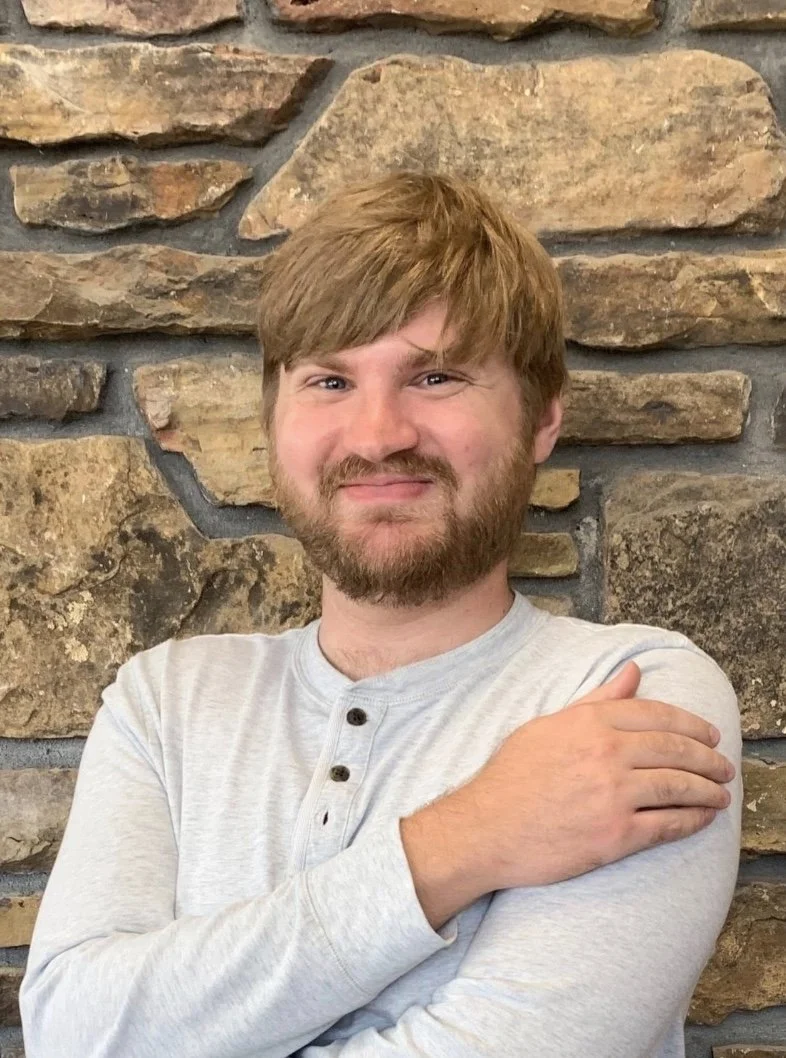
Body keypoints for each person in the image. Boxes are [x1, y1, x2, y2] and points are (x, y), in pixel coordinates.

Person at [19, 172, 741, 1058]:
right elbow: (70, 1032)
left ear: (542, 418)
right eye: (329, 380)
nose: (376, 436)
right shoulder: (165, 702)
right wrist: (465, 839)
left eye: (435, 376)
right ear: (274, 421)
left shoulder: (630, 696)